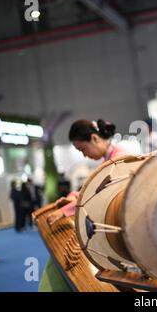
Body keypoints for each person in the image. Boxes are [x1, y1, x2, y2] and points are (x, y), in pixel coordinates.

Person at [39, 119, 132, 292]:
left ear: (95, 139)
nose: (83, 155)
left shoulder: (120, 159)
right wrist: (71, 197)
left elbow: (98, 198)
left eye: (82, 149)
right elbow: (91, 190)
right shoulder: (111, 158)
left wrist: (63, 212)